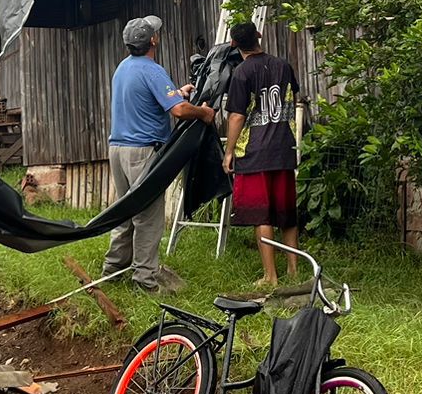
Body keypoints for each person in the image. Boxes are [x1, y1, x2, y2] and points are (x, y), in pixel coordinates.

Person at [103, 15, 215, 292]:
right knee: (148, 218)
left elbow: (145, 100)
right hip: (142, 151)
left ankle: (113, 271)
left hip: (118, 148)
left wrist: (176, 92)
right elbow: (178, 111)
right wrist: (203, 112)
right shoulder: (152, 70)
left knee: (125, 211)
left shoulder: (123, 68)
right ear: (153, 40)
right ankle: (145, 281)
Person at [221, 20, 302, 288]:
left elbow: (236, 116)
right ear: (258, 35)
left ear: (234, 43)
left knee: (262, 215)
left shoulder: (242, 73)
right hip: (283, 148)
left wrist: (229, 151)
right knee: (287, 212)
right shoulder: (284, 66)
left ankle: (270, 276)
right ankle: (293, 270)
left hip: (254, 152)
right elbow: (292, 99)